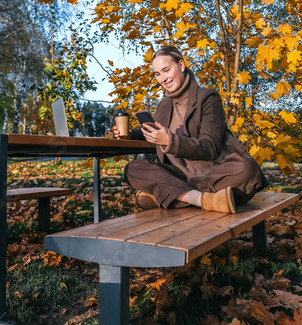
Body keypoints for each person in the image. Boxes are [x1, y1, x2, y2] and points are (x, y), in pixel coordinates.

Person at [114, 46, 269, 213]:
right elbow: (158, 134)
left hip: (211, 172)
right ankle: (203, 199)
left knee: (247, 167)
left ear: (181, 65)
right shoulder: (164, 106)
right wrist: (131, 134)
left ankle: (168, 194)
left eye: (166, 70)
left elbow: (210, 147)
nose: (163, 78)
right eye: (157, 74)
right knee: (133, 169)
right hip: (178, 174)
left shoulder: (207, 97)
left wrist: (170, 142)